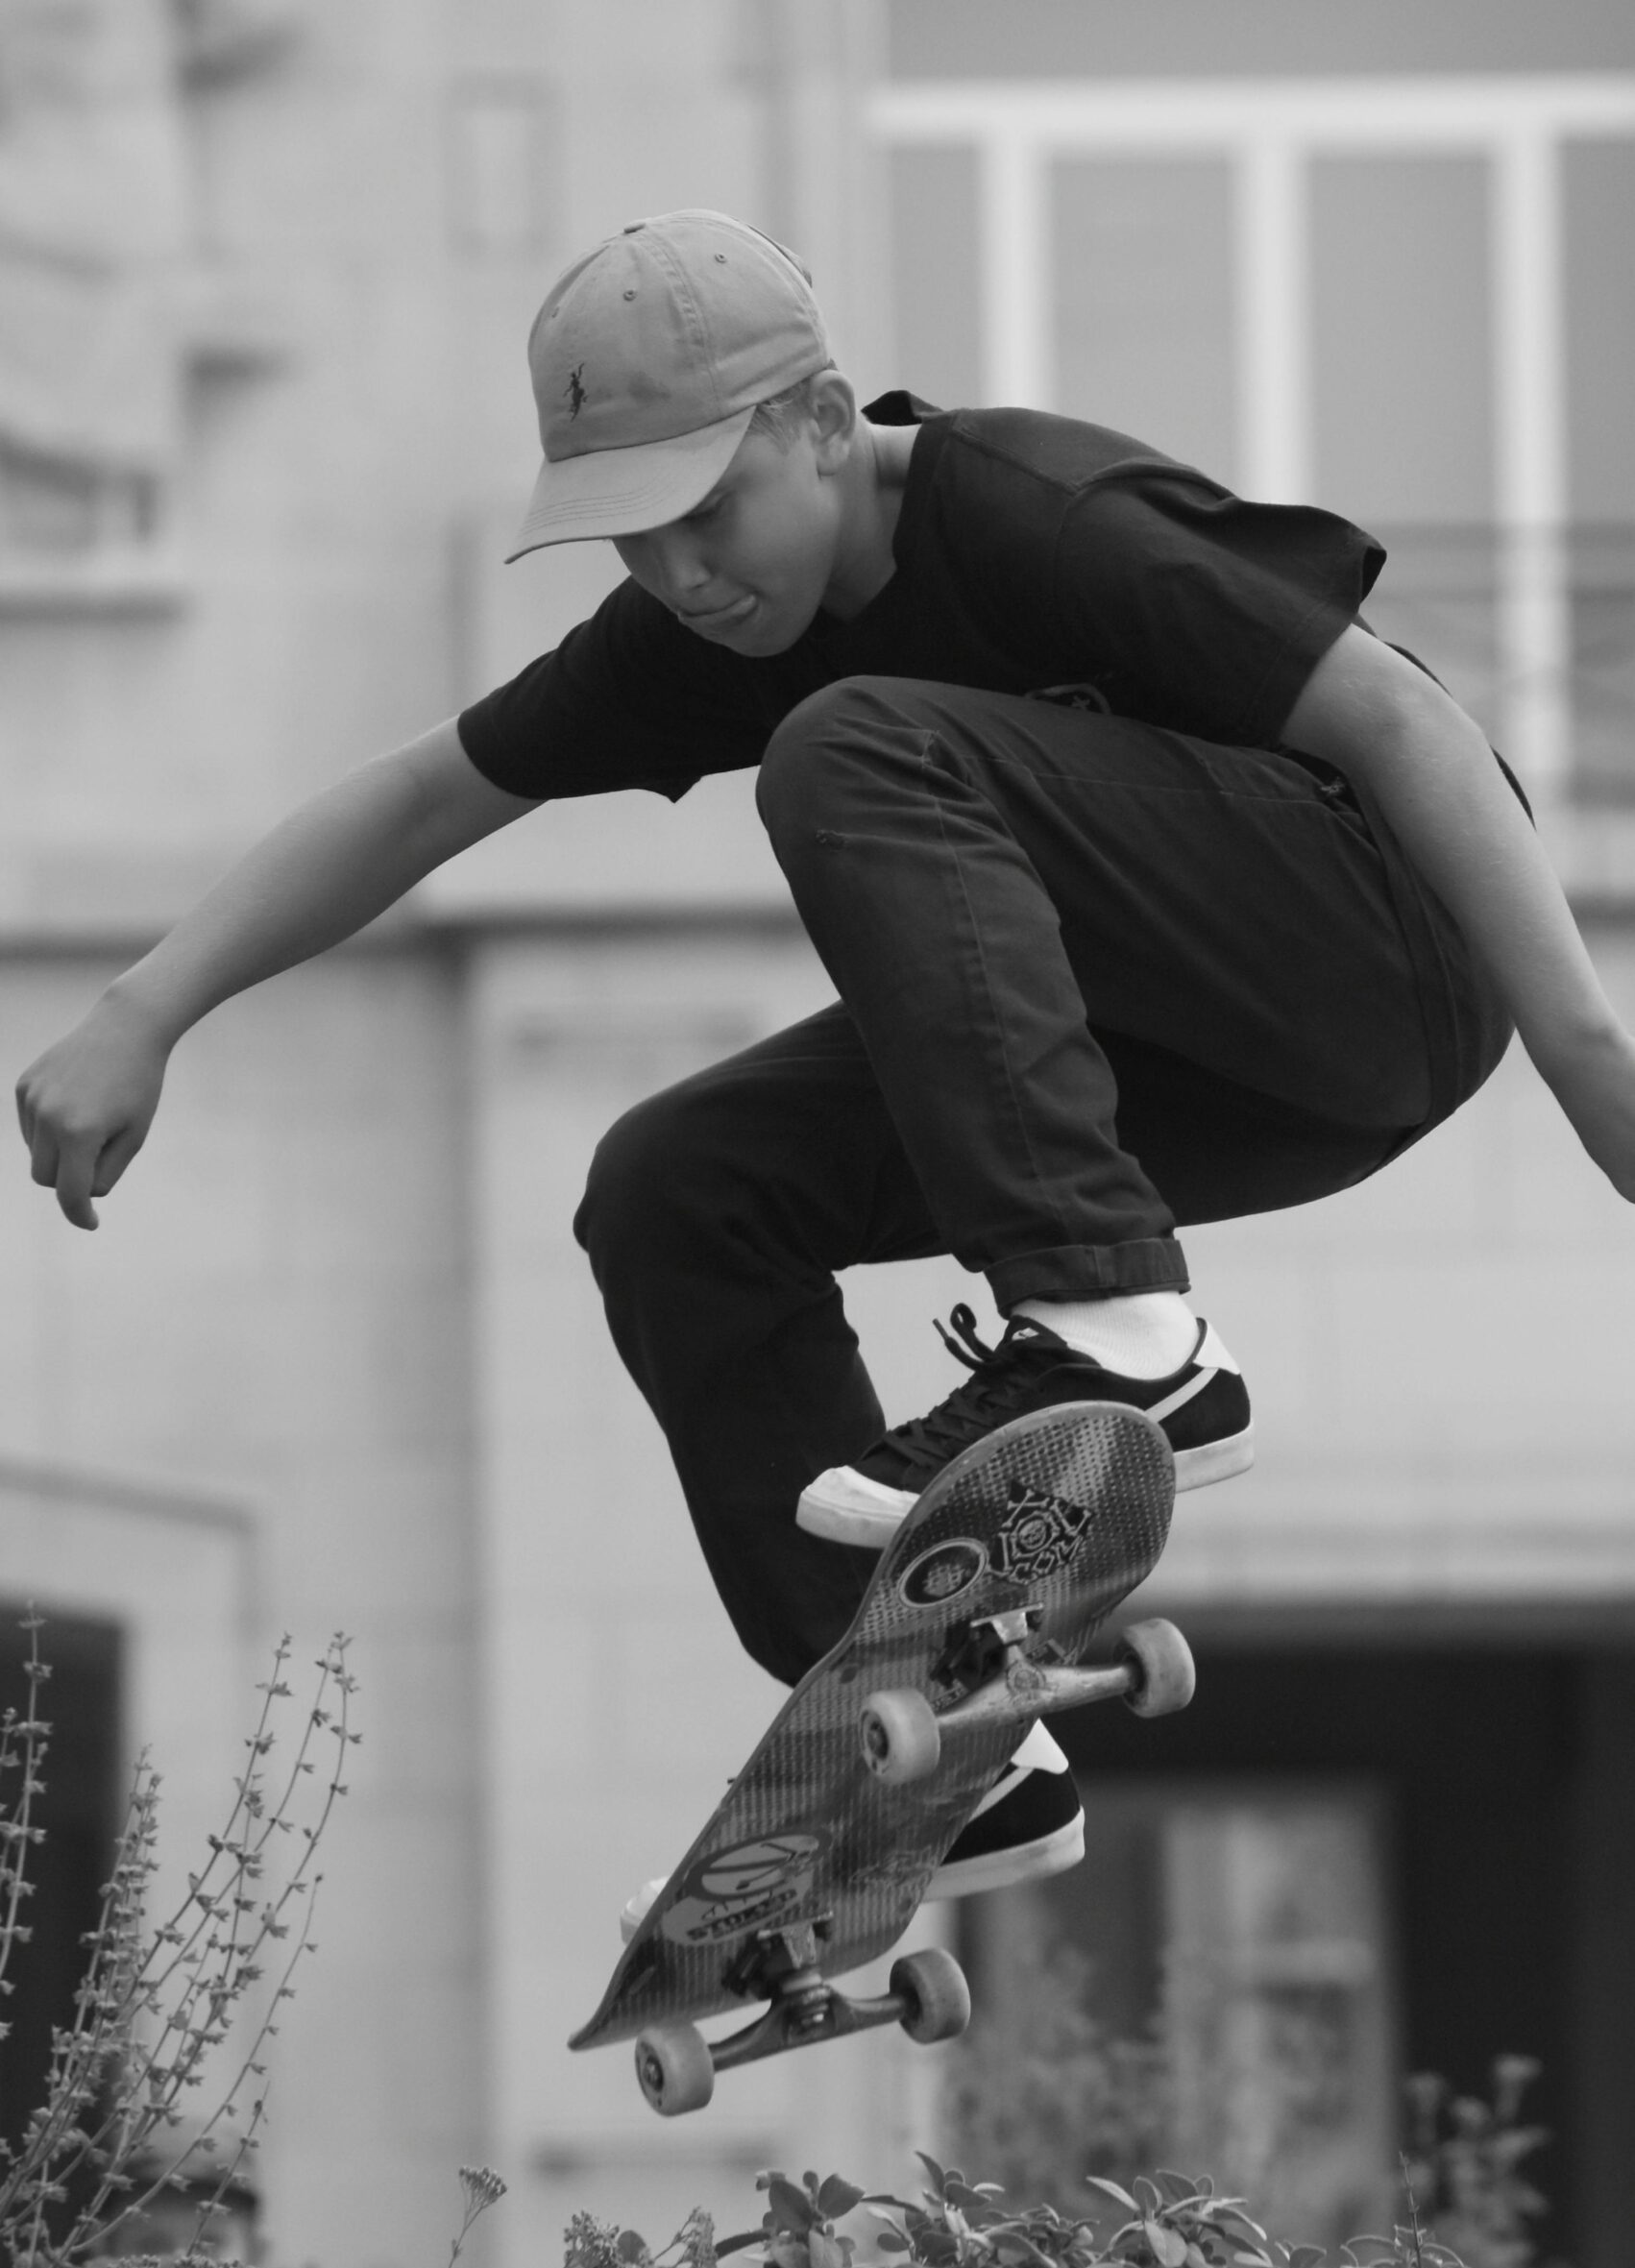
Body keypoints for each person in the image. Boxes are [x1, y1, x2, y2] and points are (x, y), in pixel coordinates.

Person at [17, 210, 1635, 1907]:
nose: (682, 581)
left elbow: (1401, 720)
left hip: (1379, 951)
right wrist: (149, 1004)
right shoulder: (711, 634)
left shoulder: (1032, 514)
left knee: (852, 748)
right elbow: (427, 795)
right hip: (1208, 1074)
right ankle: (938, 1720)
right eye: (632, 549)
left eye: (705, 516)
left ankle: (1114, 1328)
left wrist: (1585, 1054)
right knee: (675, 1188)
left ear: (819, 419)